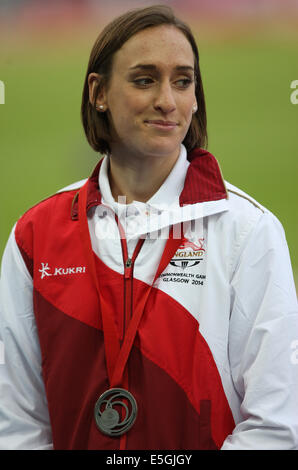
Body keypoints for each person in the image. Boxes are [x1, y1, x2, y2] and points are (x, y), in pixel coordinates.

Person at [0, 5, 297, 451]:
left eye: (183, 81)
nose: (168, 101)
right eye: (145, 79)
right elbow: (17, 422)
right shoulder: (35, 234)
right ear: (98, 92)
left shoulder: (246, 230)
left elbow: (278, 423)